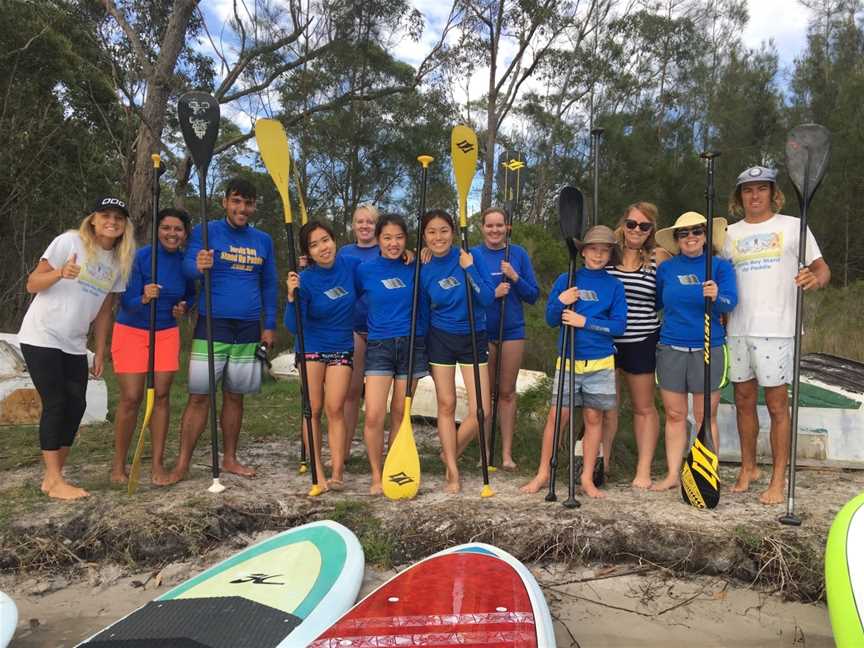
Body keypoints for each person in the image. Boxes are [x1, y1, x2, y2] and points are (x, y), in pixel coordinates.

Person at [723, 166, 830, 504]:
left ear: (773, 193)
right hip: (738, 327)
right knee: (742, 400)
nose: (754, 196)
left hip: (778, 328)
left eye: (761, 189)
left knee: (776, 404)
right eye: (747, 190)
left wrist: (815, 280)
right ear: (739, 197)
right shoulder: (728, 233)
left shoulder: (793, 226)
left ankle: (778, 479)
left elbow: (821, 268)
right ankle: (749, 468)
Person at [18, 197, 135, 500]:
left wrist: (100, 349)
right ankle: (56, 481)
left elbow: (106, 310)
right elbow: (32, 283)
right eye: (106, 215)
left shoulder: (118, 261)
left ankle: (52, 477)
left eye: (118, 218)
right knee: (56, 403)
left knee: (77, 405)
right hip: (42, 334)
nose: (112, 221)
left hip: (74, 342)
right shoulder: (69, 242)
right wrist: (60, 273)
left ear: (124, 226)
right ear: (94, 219)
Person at [171, 178, 278, 482]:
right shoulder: (207, 232)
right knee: (199, 396)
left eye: (247, 203)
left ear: (254, 206)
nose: (241, 208)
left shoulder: (263, 240)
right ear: (224, 202)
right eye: (236, 201)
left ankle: (230, 458)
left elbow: (269, 284)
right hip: (211, 324)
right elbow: (187, 268)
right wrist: (199, 264)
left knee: (235, 396)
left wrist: (269, 325)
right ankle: (182, 464)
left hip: (247, 328)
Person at [521, 225, 627, 498]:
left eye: (605, 250)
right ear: (583, 252)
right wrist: (560, 301)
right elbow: (550, 319)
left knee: (594, 418)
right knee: (558, 417)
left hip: (600, 362)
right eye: (594, 249)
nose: (599, 255)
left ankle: (587, 478)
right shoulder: (567, 278)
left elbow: (618, 326)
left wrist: (585, 322)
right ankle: (543, 473)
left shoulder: (614, 286)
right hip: (568, 360)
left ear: (610, 254)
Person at [651, 211, 737, 492]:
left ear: (705, 236)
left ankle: (706, 474)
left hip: (708, 347)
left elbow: (730, 302)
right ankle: (673, 475)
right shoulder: (666, 268)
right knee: (675, 415)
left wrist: (717, 296)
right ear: (676, 239)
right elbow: (658, 302)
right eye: (683, 233)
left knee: (705, 416)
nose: (690, 237)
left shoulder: (720, 267)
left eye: (697, 231)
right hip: (671, 347)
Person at [109, 208, 195, 486]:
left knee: (161, 396)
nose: (172, 233)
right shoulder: (141, 257)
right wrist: (144, 297)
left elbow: (191, 296)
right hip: (131, 330)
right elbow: (125, 302)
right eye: (166, 228)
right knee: (132, 397)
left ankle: (157, 464)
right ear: (158, 230)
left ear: (185, 234)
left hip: (166, 332)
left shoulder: (185, 262)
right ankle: (119, 466)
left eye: (178, 229)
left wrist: (183, 307)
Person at [419, 209, 494, 494]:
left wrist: (469, 268)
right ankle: (452, 469)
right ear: (424, 237)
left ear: (453, 231)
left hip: (474, 335)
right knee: (446, 405)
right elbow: (423, 312)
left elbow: (486, 298)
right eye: (431, 232)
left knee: (482, 410)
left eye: (444, 230)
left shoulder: (470, 256)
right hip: (440, 338)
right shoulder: (423, 267)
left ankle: (450, 452)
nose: (438, 237)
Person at [355, 214, 429, 494]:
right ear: (378, 239)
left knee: (400, 412)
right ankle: (376, 474)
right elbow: (337, 277)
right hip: (378, 346)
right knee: (374, 414)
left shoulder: (416, 267)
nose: (393, 243)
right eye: (387, 237)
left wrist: (419, 254)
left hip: (410, 345)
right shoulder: (365, 269)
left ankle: (393, 467)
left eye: (399, 237)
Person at [285, 220, 361, 492]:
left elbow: (376, 270)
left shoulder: (350, 266)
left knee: (335, 408)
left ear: (334, 240)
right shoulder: (304, 279)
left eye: (325, 240)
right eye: (314, 245)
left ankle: (337, 471)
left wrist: (406, 256)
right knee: (313, 409)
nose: (323, 248)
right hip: (311, 347)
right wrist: (292, 298)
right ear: (308, 252)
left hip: (341, 345)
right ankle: (317, 468)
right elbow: (294, 327)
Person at [603, 203, 671, 488]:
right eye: (632, 224)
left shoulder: (660, 257)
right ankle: (600, 465)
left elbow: (668, 295)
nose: (636, 230)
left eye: (644, 226)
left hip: (642, 339)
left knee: (644, 407)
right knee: (607, 406)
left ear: (651, 230)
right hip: (605, 338)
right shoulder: (606, 252)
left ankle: (643, 470)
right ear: (623, 224)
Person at [471, 206, 539, 470]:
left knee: (507, 393)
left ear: (507, 227)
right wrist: (493, 292)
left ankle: (507, 454)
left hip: (512, 331)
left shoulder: (518, 254)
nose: (495, 230)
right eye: (489, 225)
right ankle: (484, 452)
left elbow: (532, 295)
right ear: (482, 228)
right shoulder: (474, 254)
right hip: (483, 331)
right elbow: (471, 289)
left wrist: (515, 277)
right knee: (485, 395)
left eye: (500, 225)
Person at [339, 204, 381, 458]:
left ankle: (376, 451)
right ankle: (342, 449)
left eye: (370, 222)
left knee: (377, 399)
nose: (365, 226)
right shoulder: (344, 252)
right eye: (360, 221)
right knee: (351, 392)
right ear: (353, 225)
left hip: (380, 329)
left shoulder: (387, 249)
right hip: (352, 327)